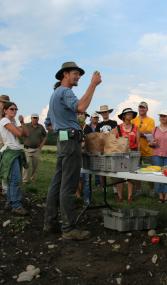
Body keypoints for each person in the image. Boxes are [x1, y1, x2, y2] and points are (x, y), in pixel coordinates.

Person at [44, 61, 102, 240]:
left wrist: (63, 126)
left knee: (57, 182)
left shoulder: (55, 94)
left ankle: (50, 222)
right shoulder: (65, 91)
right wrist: (93, 84)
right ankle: (69, 229)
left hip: (63, 140)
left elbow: (48, 124)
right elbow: (81, 108)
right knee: (68, 185)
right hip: (70, 141)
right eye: (74, 73)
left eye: (79, 74)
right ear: (65, 75)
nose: (78, 77)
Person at [0, 102, 29, 215]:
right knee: (15, 180)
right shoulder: (4, 120)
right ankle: (16, 206)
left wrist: (22, 122)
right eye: (12, 109)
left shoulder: (13, 121)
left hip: (15, 152)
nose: (14, 111)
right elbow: (19, 133)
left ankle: (10, 202)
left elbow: (26, 133)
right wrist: (20, 129)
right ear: (5, 110)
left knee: (12, 180)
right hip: (10, 153)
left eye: (16, 109)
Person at [112, 108, 140, 202]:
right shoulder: (118, 128)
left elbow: (138, 143)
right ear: (123, 116)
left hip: (132, 153)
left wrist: (138, 154)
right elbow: (112, 141)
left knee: (130, 175)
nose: (130, 115)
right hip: (120, 154)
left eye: (131, 114)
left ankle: (130, 196)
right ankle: (120, 196)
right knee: (119, 175)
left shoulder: (136, 127)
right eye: (128, 114)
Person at [22, 113, 47, 183]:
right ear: (31, 118)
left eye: (36, 118)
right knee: (26, 164)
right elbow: (21, 132)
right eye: (33, 118)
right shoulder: (26, 125)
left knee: (35, 165)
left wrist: (42, 144)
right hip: (27, 148)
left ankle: (33, 178)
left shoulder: (41, 127)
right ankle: (24, 180)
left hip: (36, 149)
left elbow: (45, 136)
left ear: (38, 119)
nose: (35, 119)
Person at [76, 112, 92, 205]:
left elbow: (92, 141)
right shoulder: (73, 127)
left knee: (86, 180)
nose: (81, 116)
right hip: (76, 157)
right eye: (79, 114)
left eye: (83, 115)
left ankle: (87, 199)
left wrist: (85, 144)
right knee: (77, 178)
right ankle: (77, 196)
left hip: (86, 157)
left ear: (86, 117)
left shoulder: (88, 128)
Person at [0, 95, 10, 200]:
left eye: (5, 102)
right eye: (2, 102)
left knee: (5, 169)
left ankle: (5, 190)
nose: (3, 104)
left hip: (5, 147)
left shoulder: (8, 117)